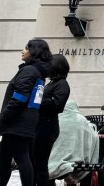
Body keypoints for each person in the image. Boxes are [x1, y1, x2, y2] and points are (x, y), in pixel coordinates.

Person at [0, 39, 52, 186]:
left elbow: (20, 97)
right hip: (22, 122)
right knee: (4, 158)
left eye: (26, 48)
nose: (23, 51)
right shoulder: (38, 73)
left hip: (16, 122)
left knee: (21, 158)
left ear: (34, 52)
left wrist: (6, 115)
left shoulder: (29, 70)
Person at [33, 55, 71, 186]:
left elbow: (57, 105)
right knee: (35, 162)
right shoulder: (52, 83)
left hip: (47, 127)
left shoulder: (62, 85)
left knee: (40, 163)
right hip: (41, 125)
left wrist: (39, 98)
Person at [47, 100, 100, 183]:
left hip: (51, 162)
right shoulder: (82, 120)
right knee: (87, 172)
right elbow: (93, 137)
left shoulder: (55, 118)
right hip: (79, 161)